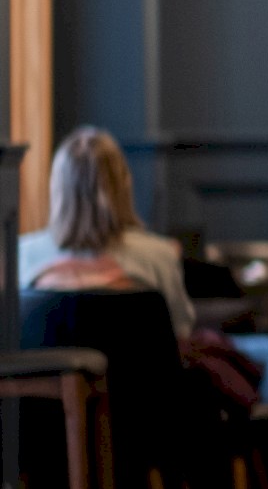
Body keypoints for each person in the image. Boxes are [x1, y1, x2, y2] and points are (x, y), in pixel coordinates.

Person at [19, 127, 197, 339]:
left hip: (51, 362)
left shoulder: (21, 256)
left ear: (56, 187)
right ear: (124, 184)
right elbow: (181, 330)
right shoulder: (159, 255)